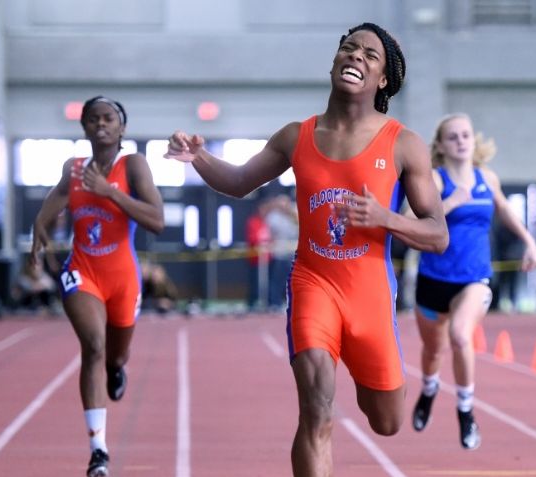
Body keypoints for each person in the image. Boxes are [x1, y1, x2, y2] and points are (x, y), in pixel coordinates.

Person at [166, 23, 447, 476]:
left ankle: (365, 367)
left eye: (369, 56)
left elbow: (438, 234)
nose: (355, 57)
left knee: (387, 421)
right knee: (316, 410)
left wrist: (386, 219)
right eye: (349, 48)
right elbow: (239, 182)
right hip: (314, 284)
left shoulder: (404, 144)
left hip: (370, 293)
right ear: (335, 60)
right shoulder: (297, 136)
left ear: (383, 81)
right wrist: (197, 157)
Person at [30, 96, 164, 477]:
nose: (100, 124)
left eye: (108, 119)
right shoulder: (73, 169)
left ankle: (117, 367)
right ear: (85, 128)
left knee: (115, 356)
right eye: (92, 119)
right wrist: (38, 231)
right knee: (93, 345)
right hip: (82, 269)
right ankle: (98, 451)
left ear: (121, 128)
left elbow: (157, 219)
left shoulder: (133, 165)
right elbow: (51, 205)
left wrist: (110, 193)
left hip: (123, 276)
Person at [410, 114, 536, 449]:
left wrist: (529, 242)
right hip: (433, 278)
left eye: (465, 135)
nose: (460, 141)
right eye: (452, 137)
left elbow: (505, 212)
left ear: (473, 140)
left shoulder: (488, 178)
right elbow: (408, 221)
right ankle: (429, 389)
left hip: (475, 277)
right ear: (440, 145)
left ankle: (466, 410)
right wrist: (451, 202)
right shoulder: (435, 181)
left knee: (460, 335)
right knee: (432, 349)